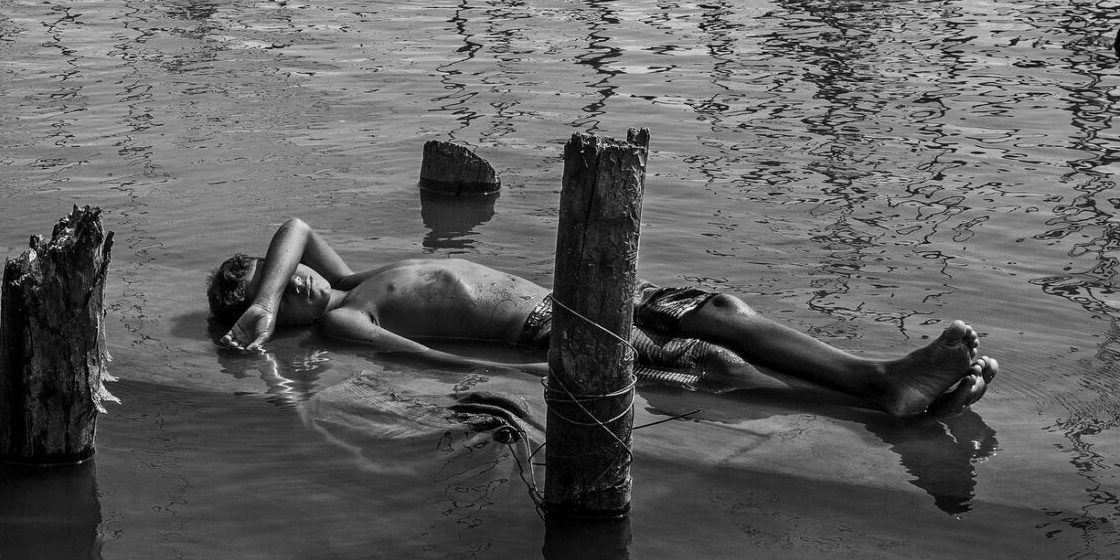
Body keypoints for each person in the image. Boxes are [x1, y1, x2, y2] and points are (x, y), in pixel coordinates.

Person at [210, 216, 998, 419]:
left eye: (288, 280)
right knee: (710, 364)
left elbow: (294, 227)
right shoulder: (346, 319)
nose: (302, 286)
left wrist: (267, 294)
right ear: (278, 325)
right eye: (281, 297)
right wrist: (525, 375)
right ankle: (883, 390)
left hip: (573, 294)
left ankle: (887, 385)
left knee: (717, 313)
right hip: (549, 330)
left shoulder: (349, 273)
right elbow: (437, 365)